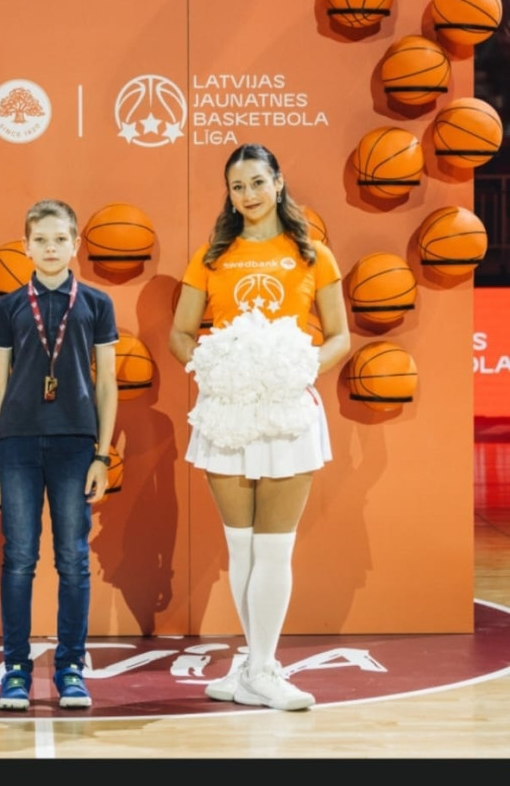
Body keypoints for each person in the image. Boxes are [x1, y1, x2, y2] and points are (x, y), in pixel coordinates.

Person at [168, 143, 350, 711]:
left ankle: (263, 670)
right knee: (242, 549)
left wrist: (297, 369)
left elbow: (340, 337)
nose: (248, 194)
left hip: (286, 411)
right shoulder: (211, 257)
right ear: (228, 195)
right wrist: (214, 367)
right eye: (237, 186)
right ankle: (254, 667)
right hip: (228, 412)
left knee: (275, 549)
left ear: (278, 182)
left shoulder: (313, 254)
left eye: (256, 182)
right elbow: (180, 334)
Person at [0, 199, 119, 711]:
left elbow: (107, 383)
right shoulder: (9, 307)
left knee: (73, 560)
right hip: (17, 444)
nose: (50, 248)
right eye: (40, 240)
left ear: (76, 244)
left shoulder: (97, 303)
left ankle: (70, 670)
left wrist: (102, 455)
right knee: (19, 558)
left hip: (75, 444)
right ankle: (16, 670)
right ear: (25, 247)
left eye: (60, 239)